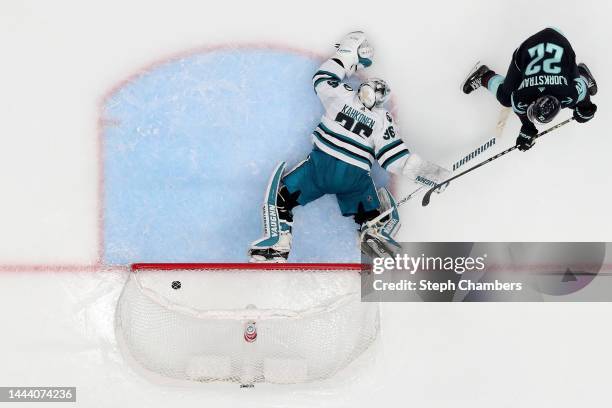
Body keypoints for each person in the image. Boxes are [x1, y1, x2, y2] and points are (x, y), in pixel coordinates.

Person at [249, 31, 449, 262]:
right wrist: (432, 175)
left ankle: (278, 243)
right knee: (370, 213)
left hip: (320, 167)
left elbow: (321, 79)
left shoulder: (343, 96)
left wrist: (347, 54)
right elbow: (395, 160)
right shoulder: (383, 120)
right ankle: (374, 233)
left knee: (281, 198)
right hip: (354, 178)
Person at [463, 27, 597, 151]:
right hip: (530, 48)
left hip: (557, 43)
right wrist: (527, 128)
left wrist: (586, 108)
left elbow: (582, 90)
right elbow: (582, 91)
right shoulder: (523, 96)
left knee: (575, 87)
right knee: (505, 97)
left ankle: (583, 74)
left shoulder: (569, 95)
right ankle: (484, 76)